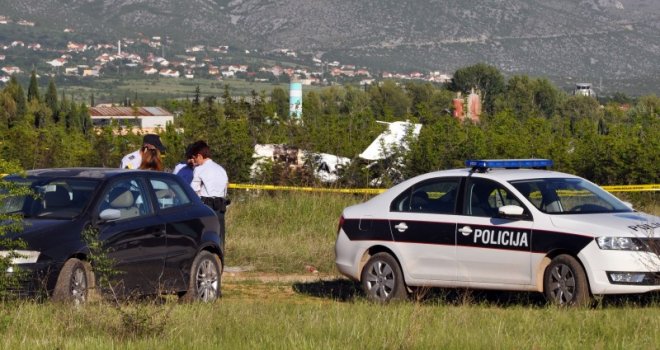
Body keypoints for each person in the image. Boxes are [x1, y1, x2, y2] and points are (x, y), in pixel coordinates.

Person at [189, 140, 229, 236]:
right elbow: (225, 188)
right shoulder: (221, 169)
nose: (194, 161)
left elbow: (194, 191)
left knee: (205, 237)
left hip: (206, 207)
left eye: (194, 158)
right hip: (221, 207)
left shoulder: (199, 170)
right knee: (219, 235)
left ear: (199, 156)